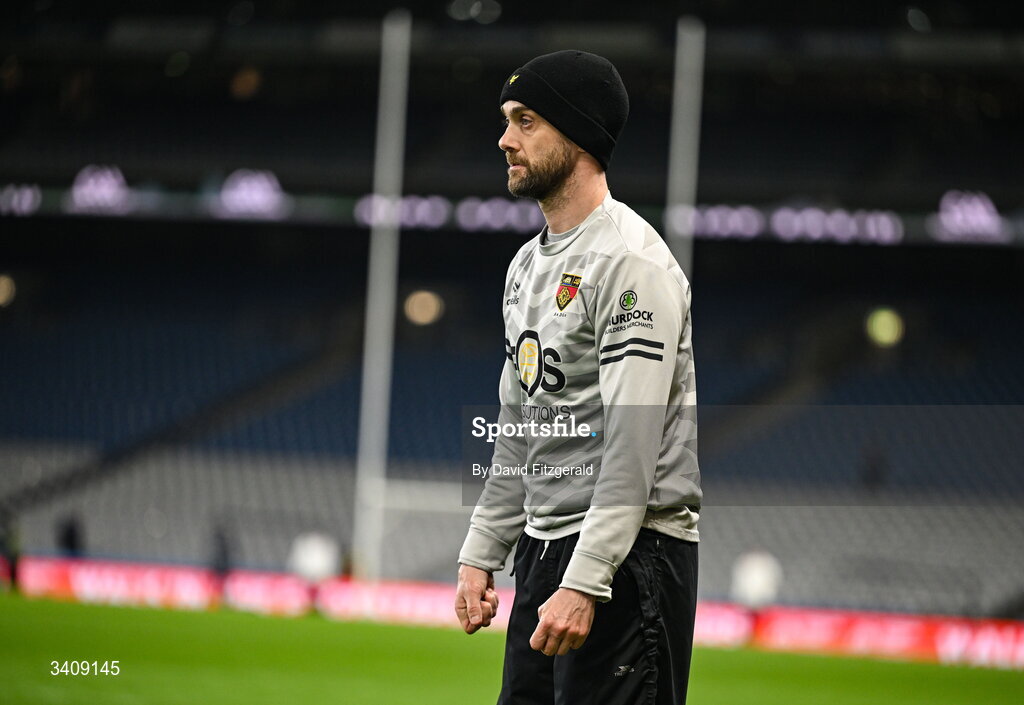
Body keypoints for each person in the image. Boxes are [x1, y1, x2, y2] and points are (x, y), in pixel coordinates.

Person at [454, 50, 702, 704]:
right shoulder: (524, 268)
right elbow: (519, 431)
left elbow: (632, 445)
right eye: (508, 120)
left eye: (527, 120)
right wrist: (482, 549)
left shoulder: (630, 263)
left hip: (630, 559)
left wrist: (587, 578)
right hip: (544, 549)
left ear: (580, 134)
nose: (505, 139)